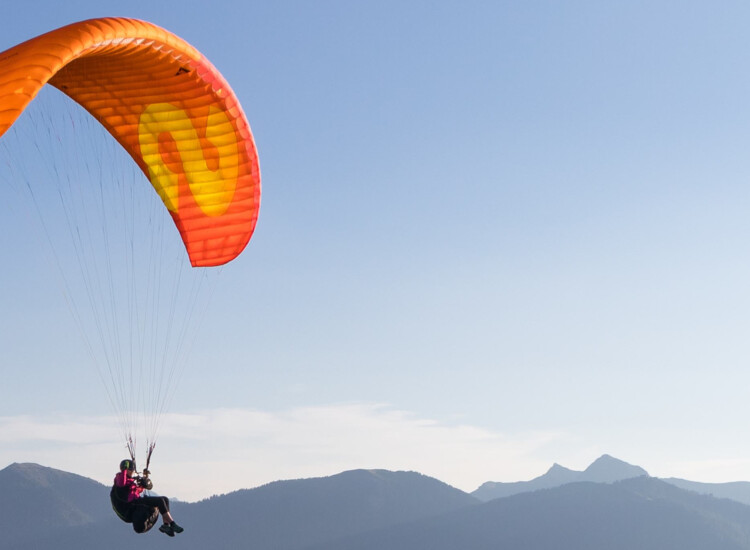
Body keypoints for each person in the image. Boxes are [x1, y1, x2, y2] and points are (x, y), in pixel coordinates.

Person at [111, 459, 184, 536]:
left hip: (138, 501)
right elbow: (122, 483)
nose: (132, 471)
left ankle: (165, 525)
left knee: (164, 499)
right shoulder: (119, 478)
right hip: (133, 505)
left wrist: (144, 482)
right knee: (159, 501)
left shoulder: (130, 481)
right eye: (131, 469)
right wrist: (124, 470)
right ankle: (172, 523)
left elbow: (137, 491)